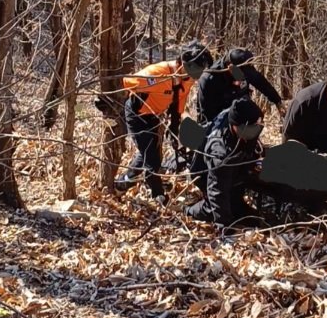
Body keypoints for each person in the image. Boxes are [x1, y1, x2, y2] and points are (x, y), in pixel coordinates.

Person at [115, 40, 213, 198]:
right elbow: (125, 82)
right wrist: (109, 100)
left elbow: (179, 100)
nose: (197, 74)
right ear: (184, 62)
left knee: (149, 154)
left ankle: (123, 183)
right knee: (152, 161)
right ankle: (158, 195)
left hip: (155, 116)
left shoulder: (187, 79)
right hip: (137, 115)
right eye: (196, 68)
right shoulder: (155, 74)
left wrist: (174, 125)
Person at [184, 97, 264, 227]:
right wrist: (225, 227)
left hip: (233, 165)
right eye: (252, 127)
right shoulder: (219, 149)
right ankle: (188, 212)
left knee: (245, 213)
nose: (256, 131)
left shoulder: (238, 115)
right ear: (237, 126)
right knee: (214, 207)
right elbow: (216, 190)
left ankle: (236, 204)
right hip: (205, 173)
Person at [196, 48, 285, 125]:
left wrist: (277, 101)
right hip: (216, 119)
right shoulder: (209, 79)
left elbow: (262, 84)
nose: (244, 77)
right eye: (241, 74)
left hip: (238, 113)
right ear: (230, 67)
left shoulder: (245, 69)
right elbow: (207, 116)